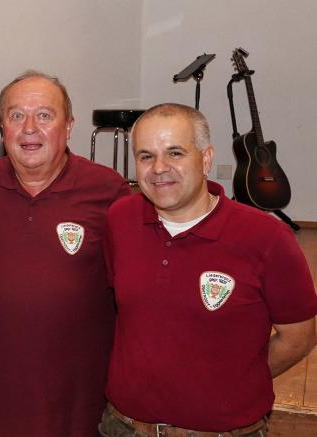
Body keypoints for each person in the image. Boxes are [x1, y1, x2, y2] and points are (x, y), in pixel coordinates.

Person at [99, 103, 317, 436]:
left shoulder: (266, 237)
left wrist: (235, 380)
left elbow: (299, 336)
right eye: (146, 156)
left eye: (175, 153)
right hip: (123, 426)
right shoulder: (120, 220)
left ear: (206, 159)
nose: (159, 168)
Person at [0, 70, 130, 437]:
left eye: (44, 115)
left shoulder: (108, 191)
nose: (29, 128)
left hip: (77, 403)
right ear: (2, 128)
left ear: (68, 127)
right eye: (16, 115)